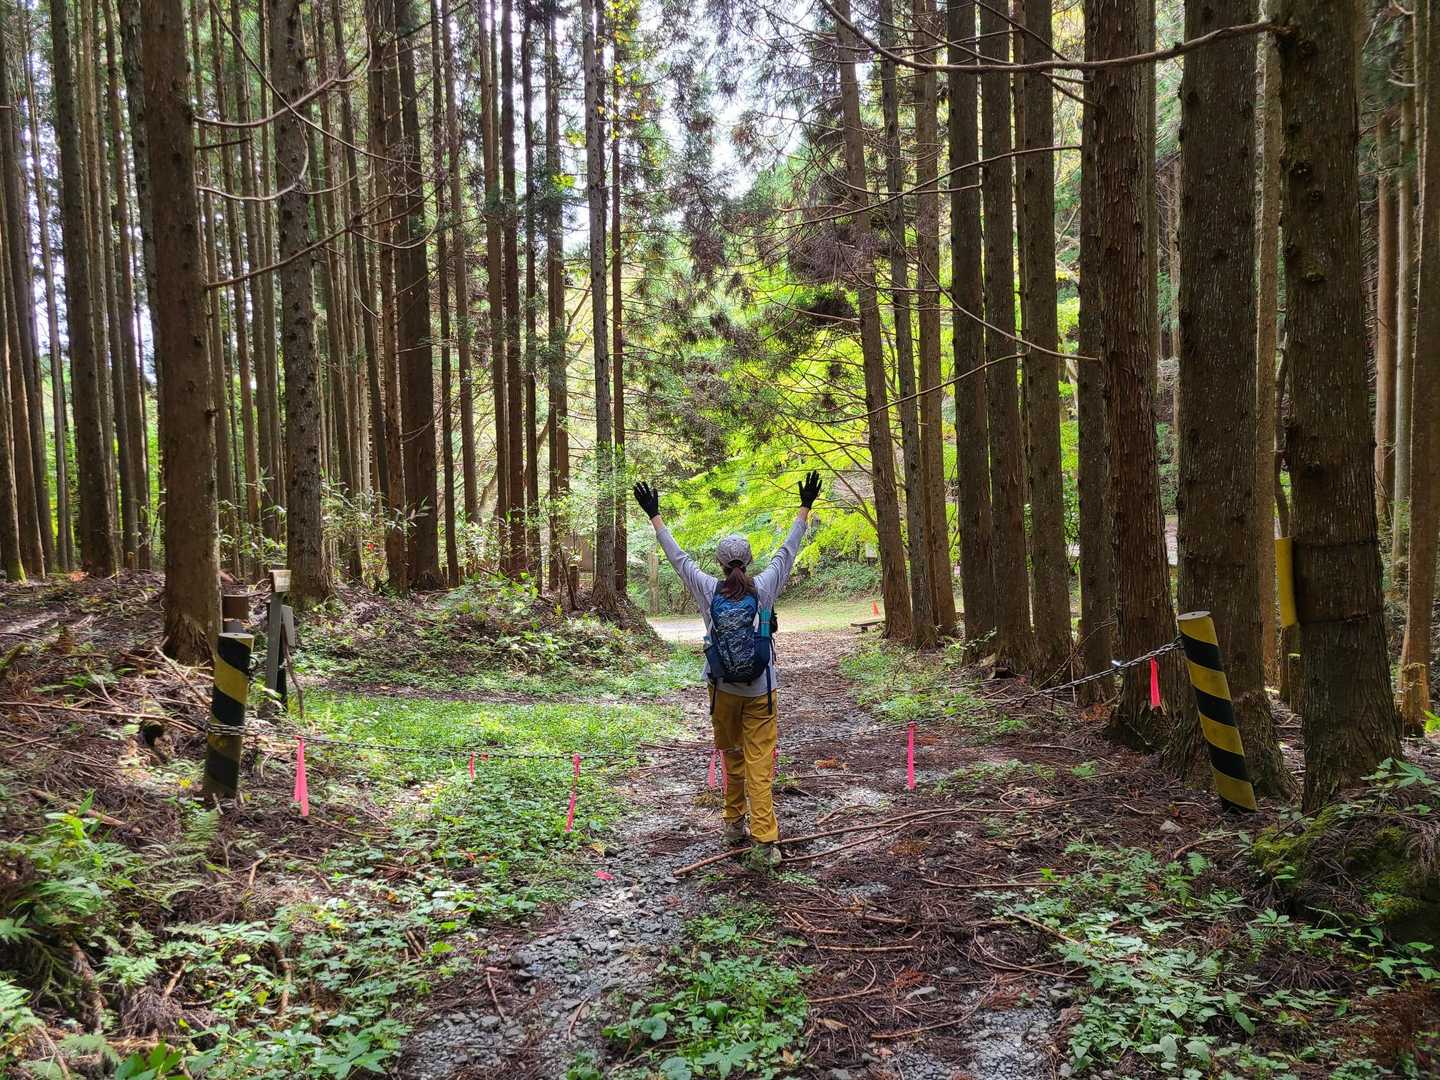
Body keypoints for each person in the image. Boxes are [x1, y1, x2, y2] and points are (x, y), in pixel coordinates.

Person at [633, 471, 821, 867]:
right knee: (759, 764)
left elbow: (678, 559)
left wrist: (655, 515)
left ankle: (734, 825)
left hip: (721, 691)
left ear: (719, 564)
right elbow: (787, 551)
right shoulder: (765, 585)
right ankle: (764, 842)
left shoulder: (707, 589)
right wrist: (805, 507)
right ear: (749, 561)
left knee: (733, 758)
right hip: (761, 690)